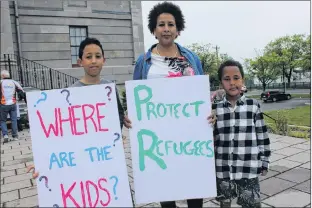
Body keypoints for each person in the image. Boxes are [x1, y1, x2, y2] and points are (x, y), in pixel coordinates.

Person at [123, 2, 209, 208]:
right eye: (161, 24)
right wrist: (130, 115)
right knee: (165, 187)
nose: (166, 28)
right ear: (154, 29)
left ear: (178, 29)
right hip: (158, 138)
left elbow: (201, 94)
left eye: (171, 24)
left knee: (194, 186)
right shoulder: (143, 62)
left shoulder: (191, 58)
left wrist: (209, 113)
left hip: (190, 135)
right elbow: (135, 97)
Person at [27, 37, 125, 175]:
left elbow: (119, 115)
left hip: (106, 154)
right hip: (83, 156)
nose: (93, 61)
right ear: (80, 62)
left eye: (98, 56)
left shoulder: (109, 88)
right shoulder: (71, 92)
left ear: (104, 60)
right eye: (88, 57)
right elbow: (62, 131)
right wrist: (43, 161)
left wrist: (119, 134)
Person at [212, 60, 271, 208]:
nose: (232, 83)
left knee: (252, 204)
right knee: (224, 204)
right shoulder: (215, 109)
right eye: (227, 79)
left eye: (236, 78)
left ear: (242, 80)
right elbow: (212, 138)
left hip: (248, 167)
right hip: (223, 168)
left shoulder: (253, 105)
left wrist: (265, 160)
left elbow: (262, 135)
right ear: (221, 83)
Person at [0, 69, 25, 143]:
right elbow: (21, 90)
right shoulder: (14, 82)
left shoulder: (1, 82)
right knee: (14, 120)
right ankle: (15, 136)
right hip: (13, 103)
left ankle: (5, 135)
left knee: (2, 120)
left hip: (3, 104)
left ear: (3, 76)